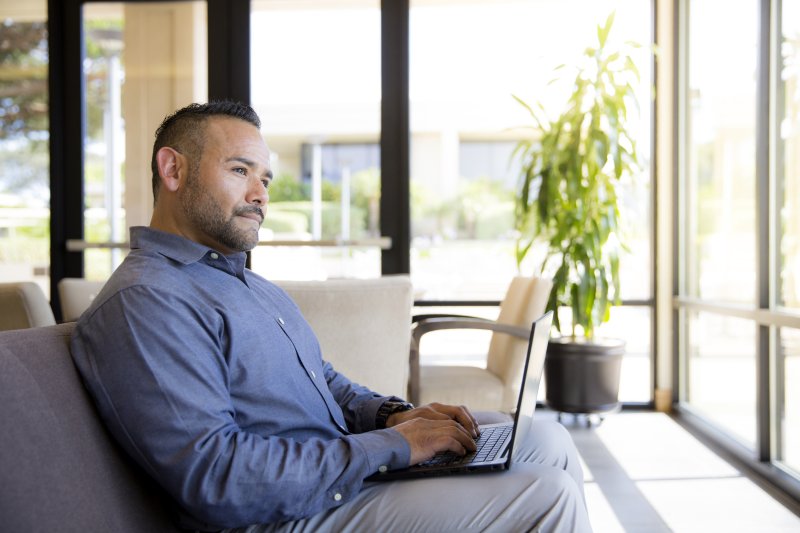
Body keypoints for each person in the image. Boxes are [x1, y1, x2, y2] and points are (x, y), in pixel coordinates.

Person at [70, 101, 592, 533]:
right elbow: (218, 477)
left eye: (265, 179)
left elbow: (324, 382)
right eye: (239, 170)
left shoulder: (250, 285)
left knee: (546, 440)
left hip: (335, 478)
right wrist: (393, 447)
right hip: (286, 515)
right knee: (547, 495)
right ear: (173, 168)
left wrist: (392, 416)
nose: (260, 195)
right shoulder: (147, 300)